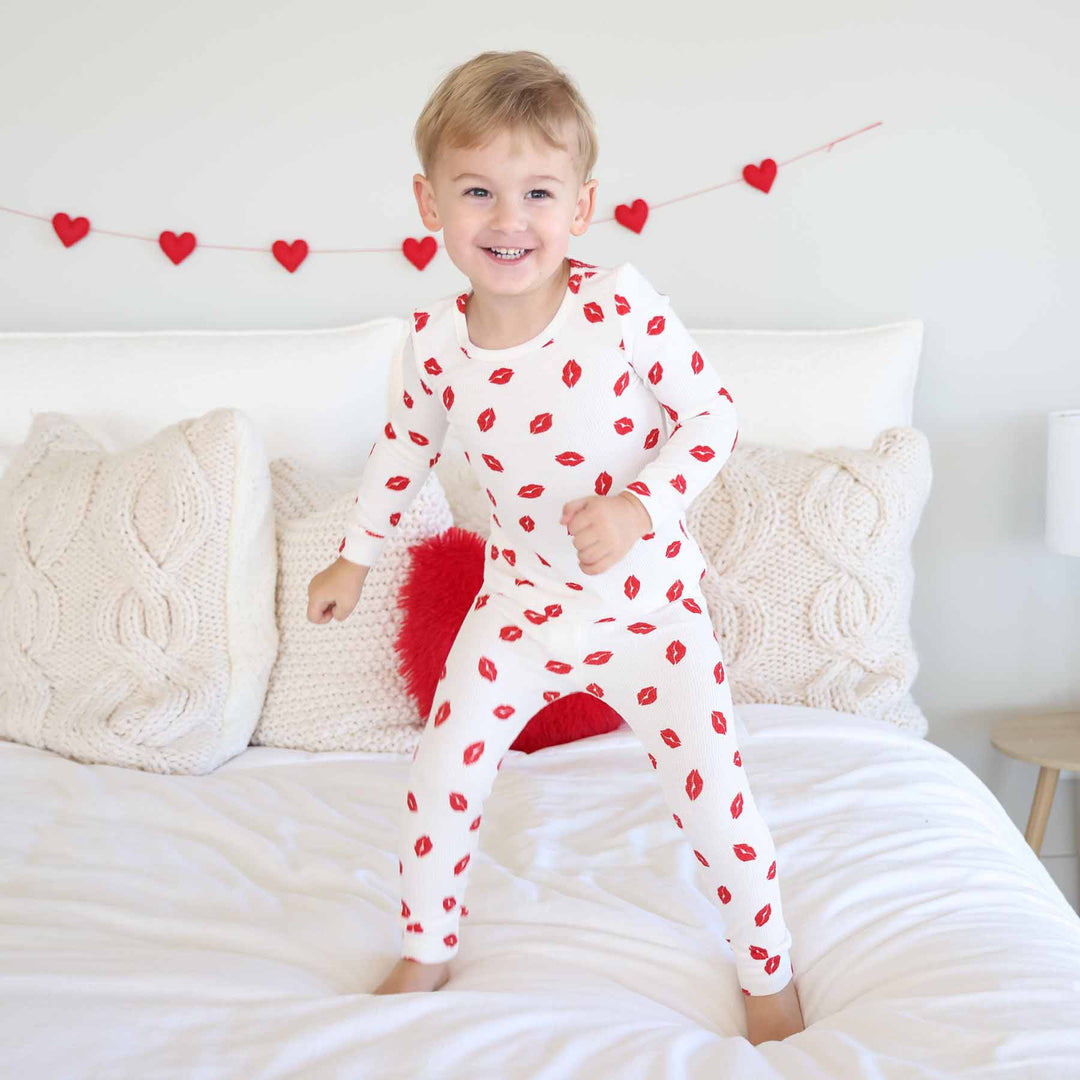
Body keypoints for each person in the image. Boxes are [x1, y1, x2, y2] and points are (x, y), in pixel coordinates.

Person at [307, 49, 805, 1045]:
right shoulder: (434, 343)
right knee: (441, 776)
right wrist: (355, 555)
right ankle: (427, 945)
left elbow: (712, 416)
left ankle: (769, 972)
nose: (509, 218)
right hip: (518, 615)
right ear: (429, 203)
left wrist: (639, 506)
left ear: (581, 206)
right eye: (477, 192)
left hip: (650, 615)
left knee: (716, 803)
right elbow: (404, 448)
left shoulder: (619, 306)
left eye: (537, 192)